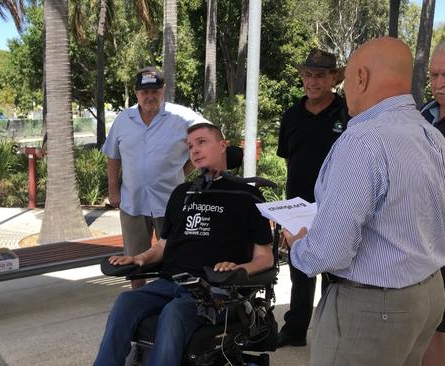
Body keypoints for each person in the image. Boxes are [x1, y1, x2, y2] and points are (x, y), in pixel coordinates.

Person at [284, 37, 445, 365]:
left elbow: (330, 251)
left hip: (374, 305)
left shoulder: (362, 140)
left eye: (345, 81)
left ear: (361, 78)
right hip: (427, 292)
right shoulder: (430, 134)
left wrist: (298, 245)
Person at [94, 120, 274, 366]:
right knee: (126, 302)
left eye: (202, 142)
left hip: (215, 291)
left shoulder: (247, 196)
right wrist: (140, 258)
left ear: (223, 146)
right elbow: (163, 245)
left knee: (174, 313)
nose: (195, 151)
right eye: (190, 146)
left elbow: (265, 257)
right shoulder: (182, 194)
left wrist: (240, 270)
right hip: (171, 282)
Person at [276, 48, 349, 348]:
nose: (312, 81)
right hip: (299, 207)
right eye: (308, 75)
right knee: (300, 271)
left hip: (338, 205)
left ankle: (333, 333)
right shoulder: (291, 115)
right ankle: (294, 331)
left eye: (320, 75)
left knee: (335, 274)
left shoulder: (348, 113)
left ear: (333, 78)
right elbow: (288, 161)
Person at [103, 66, 201, 289]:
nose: (149, 96)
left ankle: (172, 302)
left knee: (175, 260)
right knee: (134, 263)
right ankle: (140, 302)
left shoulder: (182, 117)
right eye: (144, 92)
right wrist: (113, 191)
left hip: (170, 204)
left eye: (154, 91)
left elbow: (208, 140)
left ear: (163, 90)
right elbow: (112, 157)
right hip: (133, 204)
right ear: (136, 93)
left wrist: (181, 172)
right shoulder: (123, 120)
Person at [421, 40, 445, 366]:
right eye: (434, 74)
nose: (440, 84)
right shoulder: (423, 115)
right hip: (429, 244)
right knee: (433, 329)